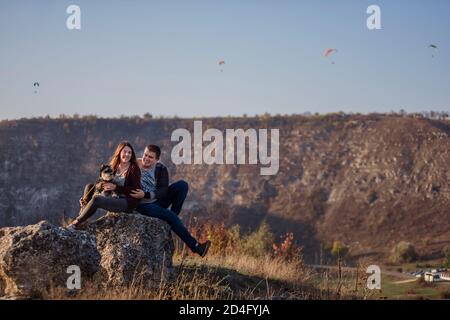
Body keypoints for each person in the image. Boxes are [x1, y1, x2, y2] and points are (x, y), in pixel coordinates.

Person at [130, 144, 210, 257]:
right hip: (142, 205)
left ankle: (170, 219)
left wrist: (146, 194)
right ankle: (196, 247)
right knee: (171, 217)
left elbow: (163, 191)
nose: (146, 158)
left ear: (157, 160)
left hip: (155, 200)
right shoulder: (134, 165)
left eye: (150, 157)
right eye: (145, 155)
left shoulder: (161, 169)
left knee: (182, 185)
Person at [67, 141, 141, 230]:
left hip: (126, 201)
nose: (127, 154)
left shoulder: (134, 169)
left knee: (96, 199)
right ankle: (83, 212)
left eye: (129, 152)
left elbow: (136, 189)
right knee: (89, 186)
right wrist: (102, 185)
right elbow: (98, 182)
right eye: (124, 152)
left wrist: (116, 187)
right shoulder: (113, 166)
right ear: (119, 152)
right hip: (113, 196)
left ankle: (75, 223)